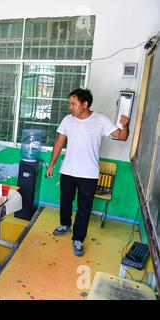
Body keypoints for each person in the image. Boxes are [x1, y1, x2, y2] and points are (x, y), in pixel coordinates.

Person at [46, 88, 129, 256]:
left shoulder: (100, 120)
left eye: (73, 104)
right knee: (65, 202)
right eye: (70, 104)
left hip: (89, 174)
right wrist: (51, 165)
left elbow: (121, 136)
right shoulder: (68, 120)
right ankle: (65, 224)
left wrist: (125, 126)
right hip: (68, 171)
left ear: (84, 104)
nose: (70, 107)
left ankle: (78, 239)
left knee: (84, 208)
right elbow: (59, 142)